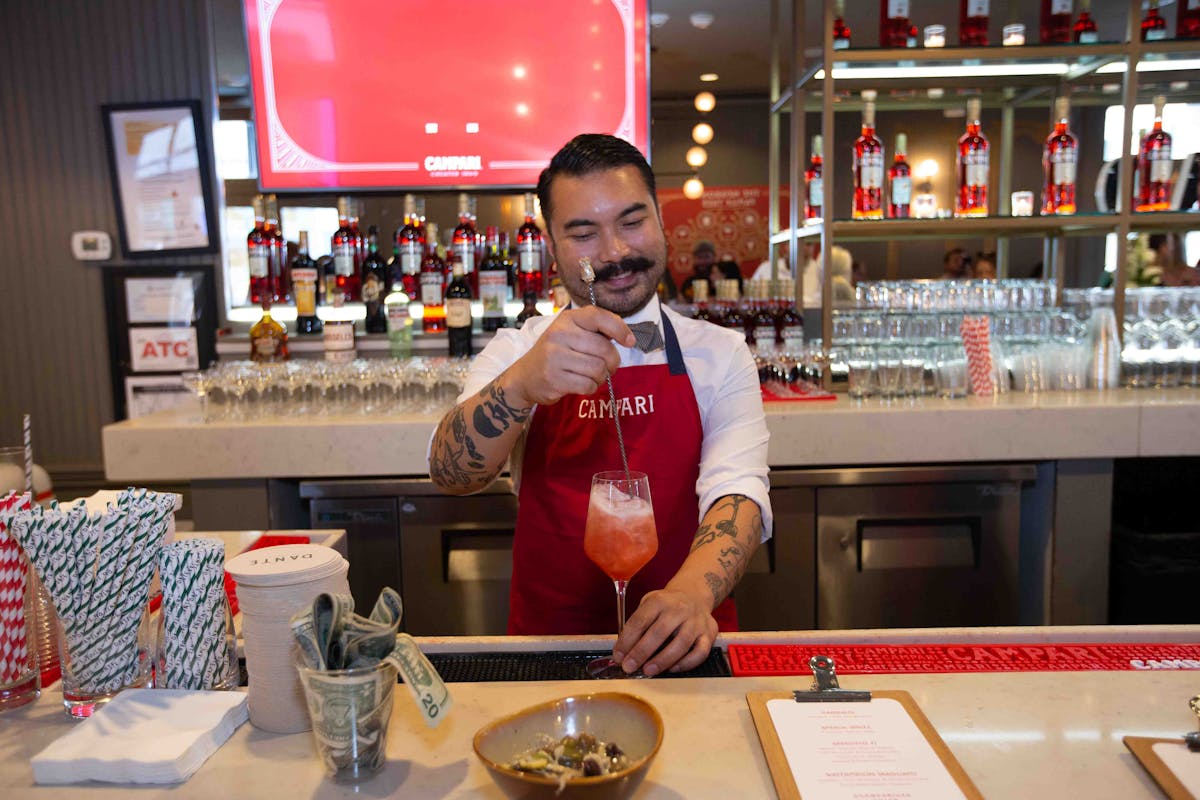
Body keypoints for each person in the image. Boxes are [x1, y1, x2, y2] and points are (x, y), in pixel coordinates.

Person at [427, 134, 771, 676]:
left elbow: (738, 492)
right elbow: (451, 473)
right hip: (546, 655)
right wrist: (520, 386)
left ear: (660, 220)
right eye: (584, 232)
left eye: (632, 222)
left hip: (687, 650)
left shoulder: (719, 353)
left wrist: (690, 594)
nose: (613, 252)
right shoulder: (519, 349)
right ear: (553, 244)